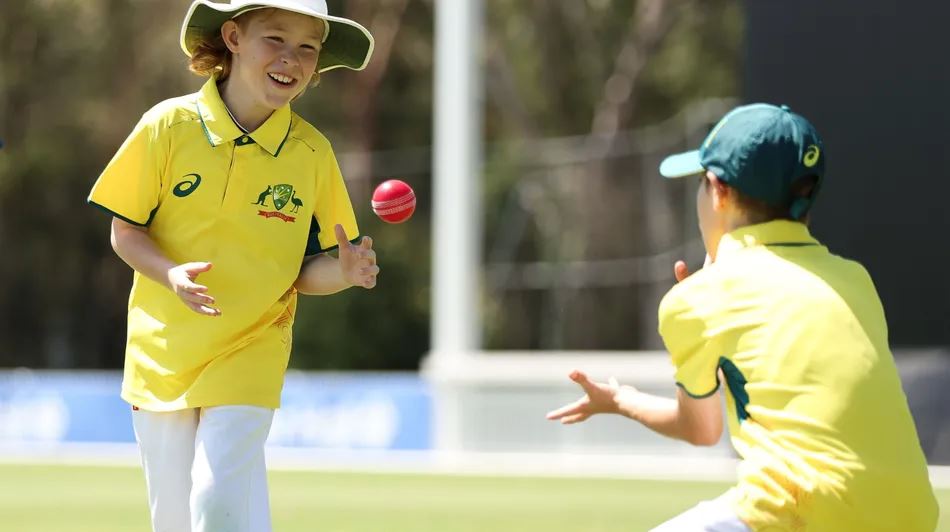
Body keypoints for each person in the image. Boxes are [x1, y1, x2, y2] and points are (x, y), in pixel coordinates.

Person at [547, 103, 938, 531]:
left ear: (717, 190)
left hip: (796, 515)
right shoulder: (857, 280)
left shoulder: (698, 298)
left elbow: (700, 429)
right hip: (912, 519)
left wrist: (620, 400)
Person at [86, 1, 378, 530]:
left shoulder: (313, 153)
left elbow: (306, 269)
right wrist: (170, 275)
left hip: (252, 347)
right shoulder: (166, 125)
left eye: (307, 48)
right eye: (275, 38)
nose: (291, 58)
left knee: (216, 499)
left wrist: (346, 273)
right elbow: (124, 232)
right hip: (163, 355)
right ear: (233, 37)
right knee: (176, 520)